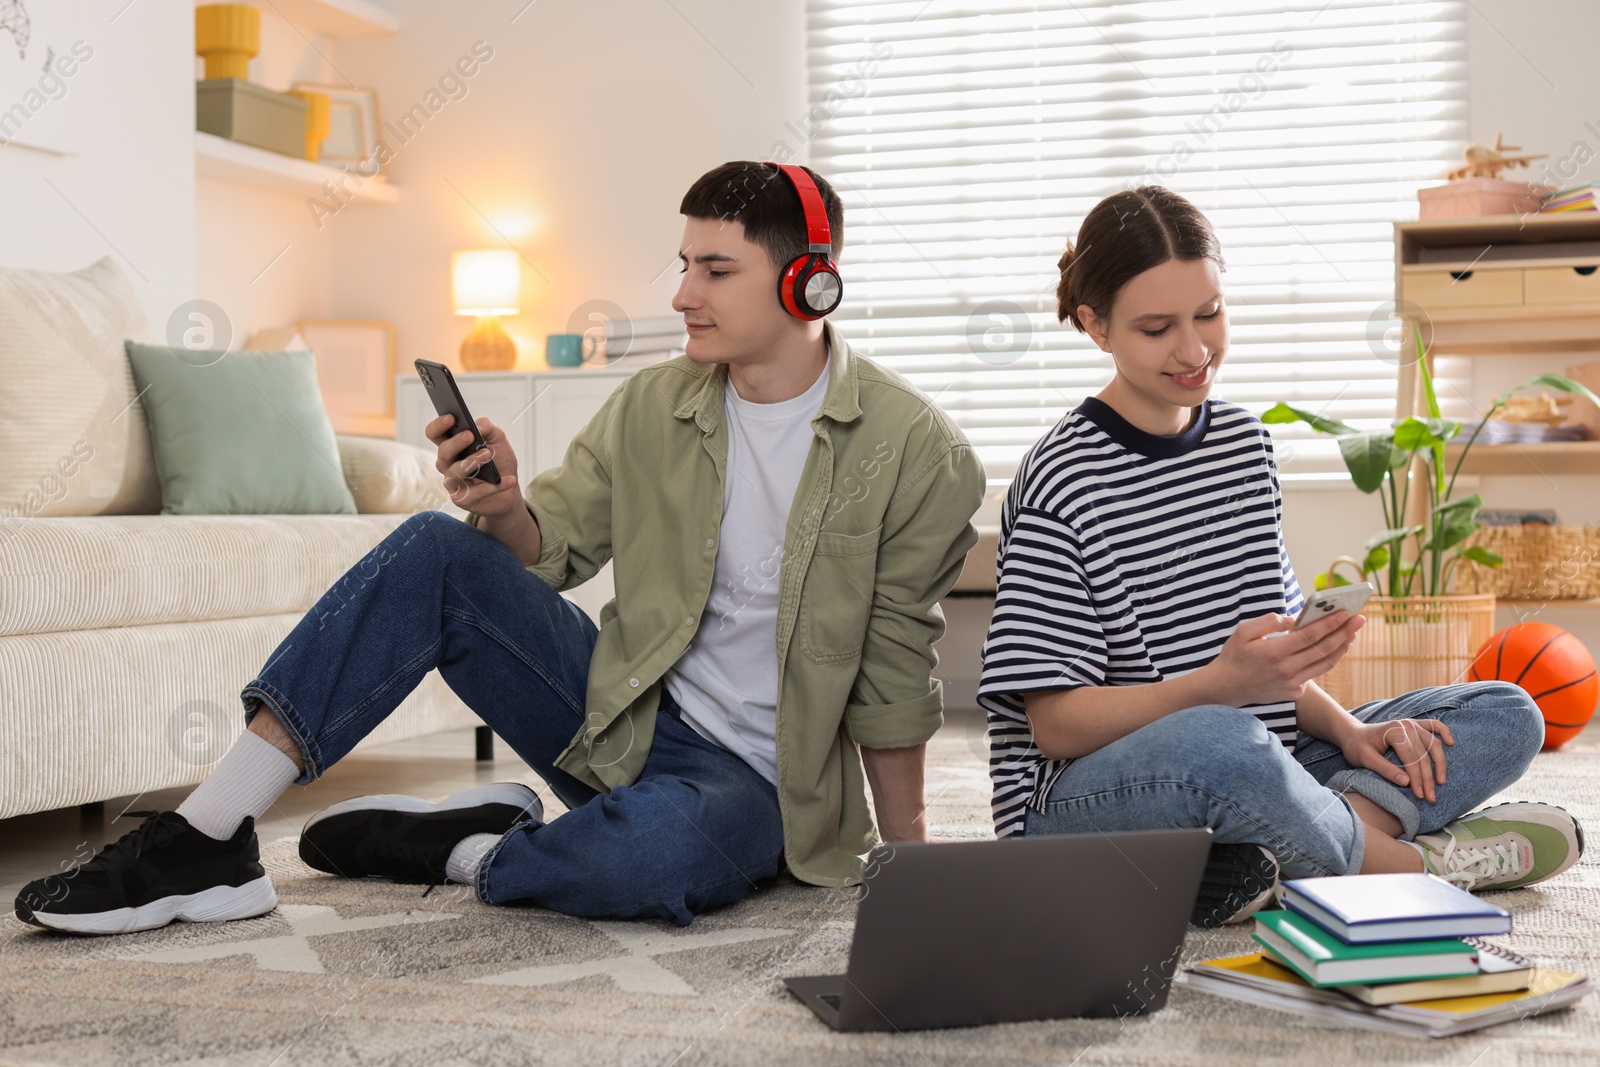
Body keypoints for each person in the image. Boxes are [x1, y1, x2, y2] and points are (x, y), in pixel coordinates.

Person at [15, 161, 987, 935]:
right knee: (440, 546)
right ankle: (207, 833)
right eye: (682, 262)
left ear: (807, 283)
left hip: (761, 777)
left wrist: (906, 850)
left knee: (650, 861)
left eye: (714, 269)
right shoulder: (657, 404)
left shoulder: (913, 449)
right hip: (623, 715)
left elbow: (893, 666)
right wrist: (506, 504)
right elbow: (547, 549)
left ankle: (471, 846)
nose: (683, 291)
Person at [977, 185, 1584, 928]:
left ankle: (1284, 851)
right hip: (1081, 797)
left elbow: (1268, 670)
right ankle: (1409, 864)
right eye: (1157, 327)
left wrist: (1354, 734)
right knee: (1224, 742)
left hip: (1262, 759)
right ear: (1095, 325)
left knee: (1506, 710)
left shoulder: (1242, 444)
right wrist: (1219, 685)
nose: (1196, 351)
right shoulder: (1061, 478)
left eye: (1210, 313)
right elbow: (1055, 726)